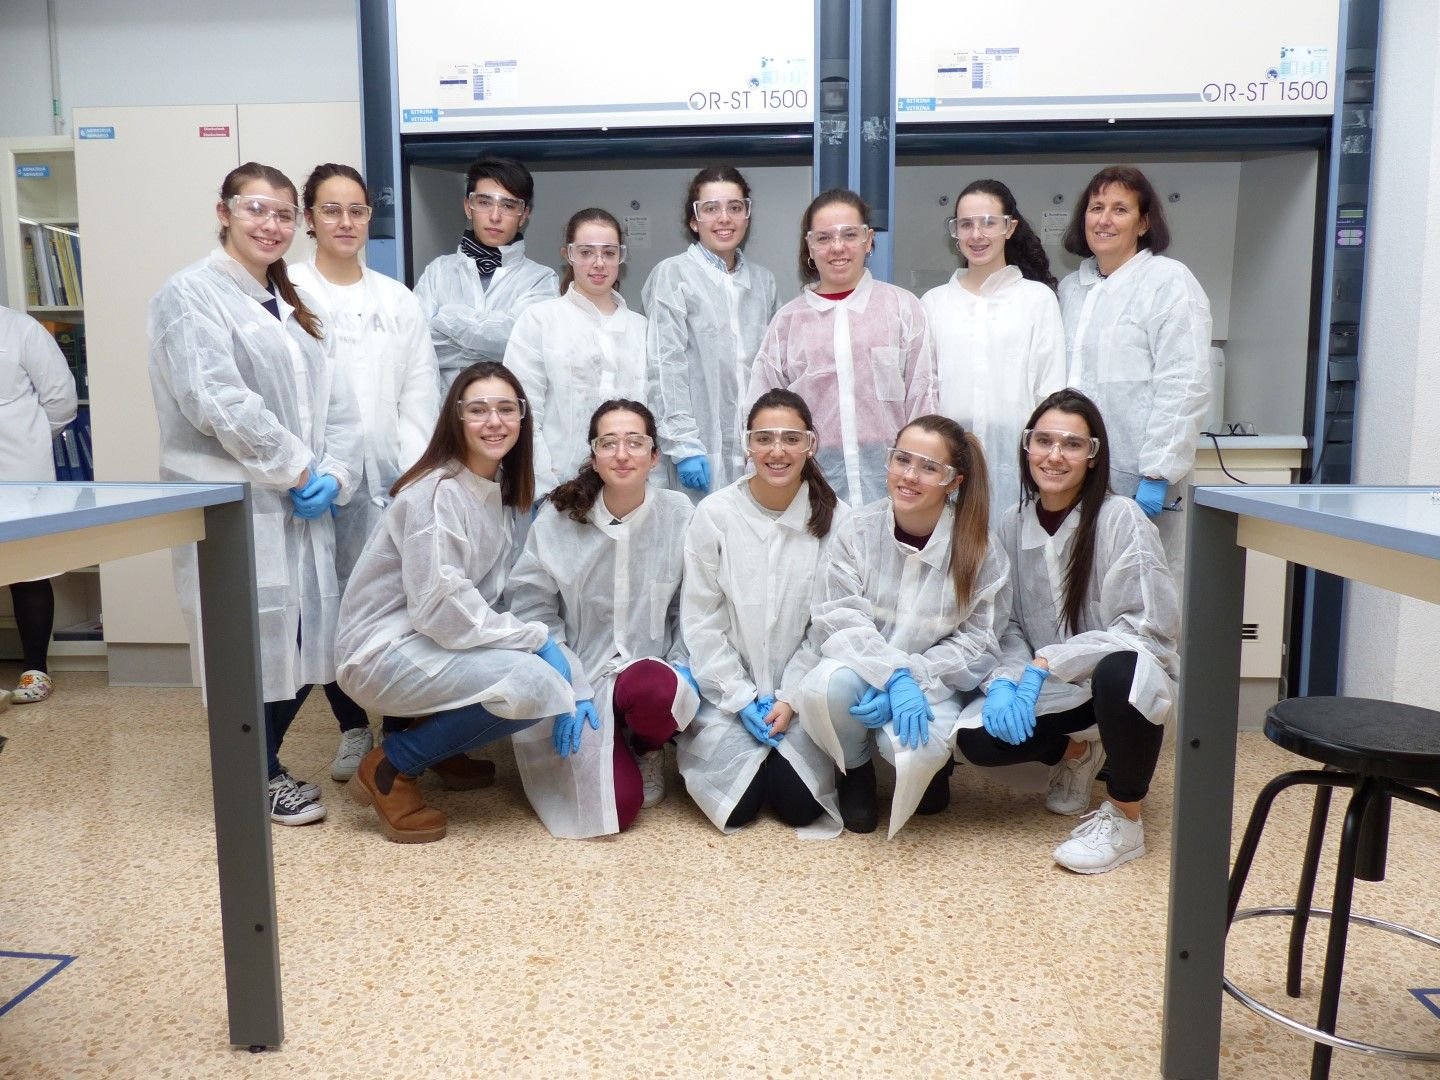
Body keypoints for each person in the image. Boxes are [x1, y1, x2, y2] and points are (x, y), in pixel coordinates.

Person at [149, 162, 363, 826]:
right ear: (224, 211)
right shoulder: (190, 295)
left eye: (283, 214)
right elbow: (217, 401)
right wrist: (299, 469)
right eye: (256, 209)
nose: (271, 225)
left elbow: (341, 405)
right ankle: (256, 774)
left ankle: (258, 764)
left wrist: (336, 474)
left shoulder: (299, 304)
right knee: (248, 643)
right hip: (236, 506)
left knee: (303, 640)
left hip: (300, 507)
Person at [335, 362, 576, 843]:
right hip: (382, 652)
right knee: (534, 684)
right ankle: (392, 766)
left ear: (522, 417)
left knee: (531, 669)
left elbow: (477, 598)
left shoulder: (494, 488)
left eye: (506, 409)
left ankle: (438, 748)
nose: (494, 421)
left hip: (425, 641)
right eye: (479, 410)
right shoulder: (437, 493)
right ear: (457, 418)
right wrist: (537, 640)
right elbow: (440, 609)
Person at [955, 389, 1179, 874]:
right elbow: (1009, 624)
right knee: (977, 741)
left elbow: (1149, 631)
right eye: (1044, 441)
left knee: (1120, 671)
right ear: (1027, 447)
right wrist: (1007, 682)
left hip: (1118, 689)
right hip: (1055, 688)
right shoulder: (1012, 525)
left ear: (1093, 456)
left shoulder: (1120, 519)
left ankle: (1125, 819)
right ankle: (1078, 752)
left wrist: (1049, 661)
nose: (1055, 455)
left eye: (1072, 444)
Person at [290, 163, 442, 783]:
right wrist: (309, 470)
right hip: (313, 486)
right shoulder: (289, 294)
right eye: (331, 210)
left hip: (390, 485)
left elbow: (419, 393)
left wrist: (413, 475)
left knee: (397, 609)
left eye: (356, 210)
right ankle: (353, 728)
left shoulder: (396, 299)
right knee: (328, 609)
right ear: (309, 219)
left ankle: (398, 736)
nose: (346, 222)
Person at [796, 415, 1006, 837]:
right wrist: (891, 674)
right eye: (902, 459)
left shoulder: (980, 549)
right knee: (826, 686)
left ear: (954, 482)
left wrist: (912, 677)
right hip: (863, 670)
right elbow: (839, 617)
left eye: (929, 467)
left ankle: (936, 767)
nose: (909, 476)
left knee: (914, 762)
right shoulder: (857, 530)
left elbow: (979, 641)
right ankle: (856, 770)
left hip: (933, 683)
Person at [505, 400, 699, 837]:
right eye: (608, 443)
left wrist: (682, 665)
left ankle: (647, 746)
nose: (622, 454)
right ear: (593, 457)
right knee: (618, 808)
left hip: (645, 674)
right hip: (580, 680)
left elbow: (692, 605)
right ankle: (614, 743)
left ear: (655, 456)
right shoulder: (559, 519)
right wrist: (568, 683)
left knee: (656, 688)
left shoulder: (679, 515)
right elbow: (532, 605)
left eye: (635, 442)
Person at [677, 389, 846, 835]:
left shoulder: (836, 520)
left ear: (811, 444)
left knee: (799, 807)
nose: (777, 450)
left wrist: (790, 697)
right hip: (729, 694)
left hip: (803, 694)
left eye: (791, 438)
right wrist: (739, 696)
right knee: (736, 809)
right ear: (747, 445)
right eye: (764, 438)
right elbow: (701, 618)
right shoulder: (715, 514)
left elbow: (829, 624)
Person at [1058, 165, 1212, 581]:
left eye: (1120, 209)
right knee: (1074, 585)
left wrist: (1158, 472)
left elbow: (1184, 382)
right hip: (1073, 472)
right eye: (1096, 208)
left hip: (1138, 475)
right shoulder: (1071, 289)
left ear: (1144, 223)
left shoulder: (1168, 282)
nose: (1104, 220)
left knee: (1140, 588)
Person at [748, 189, 937, 507]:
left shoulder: (903, 308)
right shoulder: (788, 322)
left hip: (895, 483)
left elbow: (924, 399)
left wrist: (922, 473)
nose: (837, 247)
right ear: (810, 246)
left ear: (868, 239)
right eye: (824, 238)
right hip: (812, 484)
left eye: (849, 235)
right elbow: (763, 412)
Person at [921, 179, 1065, 518]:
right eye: (966, 224)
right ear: (955, 232)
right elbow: (925, 391)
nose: (976, 235)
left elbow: (1051, 391)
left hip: (1018, 460)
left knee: (1015, 540)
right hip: (948, 462)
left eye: (988, 222)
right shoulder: (933, 303)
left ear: (1009, 228)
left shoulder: (1037, 300)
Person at [643, 166, 777, 502]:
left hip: (756, 453)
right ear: (694, 220)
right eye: (711, 208)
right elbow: (665, 365)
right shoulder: (673, 275)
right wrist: (684, 445)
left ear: (747, 216)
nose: (724, 218)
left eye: (735, 207)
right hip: (698, 450)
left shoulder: (763, 283)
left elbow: (772, 369)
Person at [504, 209, 647, 497]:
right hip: (557, 483)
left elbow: (652, 413)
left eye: (609, 253)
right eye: (586, 252)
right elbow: (523, 412)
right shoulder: (540, 320)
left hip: (630, 485)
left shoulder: (641, 328)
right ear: (568, 254)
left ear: (621, 257)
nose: (598, 263)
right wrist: (544, 487)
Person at [414, 157, 557, 393]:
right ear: (468, 207)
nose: (495, 216)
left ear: (523, 215)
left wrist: (447, 317)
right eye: (484, 202)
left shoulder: (541, 280)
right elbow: (417, 346)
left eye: (508, 206)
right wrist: (490, 347)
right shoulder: (437, 271)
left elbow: (518, 343)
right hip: (446, 411)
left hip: (510, 410)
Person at [0, 303, 78, 706]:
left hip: (18, 470)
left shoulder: (21, 329)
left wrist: (28, 440)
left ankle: (35, 669)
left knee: (28, 569)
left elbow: (61, 400)